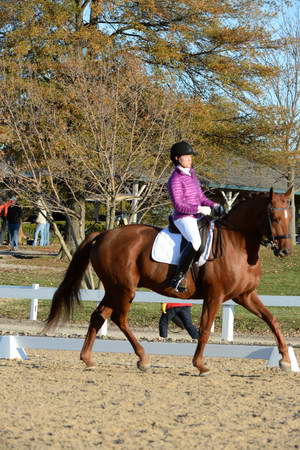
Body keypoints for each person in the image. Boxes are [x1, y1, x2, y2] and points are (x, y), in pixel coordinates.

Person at [167, 141, 223, 292]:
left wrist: (213, 205)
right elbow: (178, 205)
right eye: (187, 157)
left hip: (197, 215)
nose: (190, 159)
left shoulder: (192, 175)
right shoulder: (175, 179)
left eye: (191, 156)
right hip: (183, 217)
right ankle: (178, 277)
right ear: (177, 158)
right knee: (196, 242)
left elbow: (201, 197)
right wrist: (198, 208)